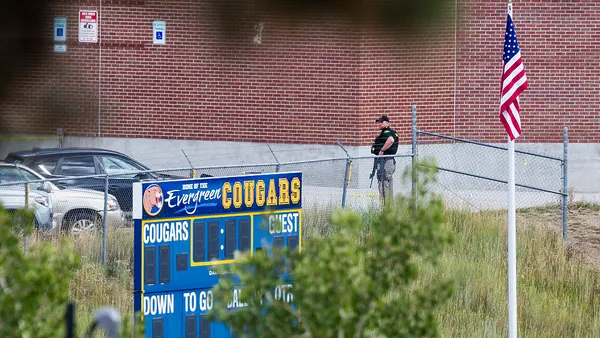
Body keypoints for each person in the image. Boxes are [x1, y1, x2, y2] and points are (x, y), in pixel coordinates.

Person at [369, 115, 399, 204]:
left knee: (383, 184)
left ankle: (384, 207)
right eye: (378, 122)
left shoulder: (387, 132)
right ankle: (389, 206)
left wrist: (382, 150)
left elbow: (391, 140)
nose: (379, 124)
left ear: (387, 122)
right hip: (388, 161)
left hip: (385, 161)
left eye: (381, 122)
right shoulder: (391, 132)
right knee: (388, 184)